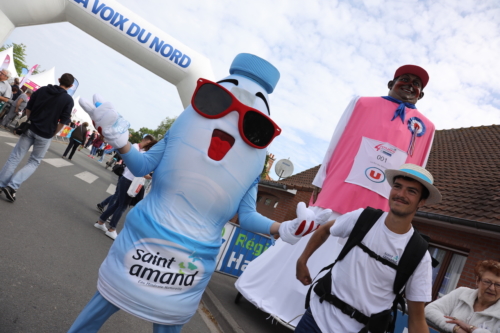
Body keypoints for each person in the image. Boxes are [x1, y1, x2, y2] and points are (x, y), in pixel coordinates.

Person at [69, 54, 331, 333]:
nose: (232, 120)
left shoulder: (255, 155)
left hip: (186, 264)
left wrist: (283, 227)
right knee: (108, 302)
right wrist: (120, 140)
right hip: (147, 245)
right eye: (216, 99)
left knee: (147, 316)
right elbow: (144, 164)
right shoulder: (189, 120)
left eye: (253, 123)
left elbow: (248, 214)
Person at [235, 64, 436, 326]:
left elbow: (417, 168)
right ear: (391, 83)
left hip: (377, 207)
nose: (410, 84)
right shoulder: (362, 103)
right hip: (340, 191)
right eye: (404, 79)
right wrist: (322, 180)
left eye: (416, 84)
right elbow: (336, 140)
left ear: (421, 95)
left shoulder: (426, 127)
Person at [294, 164, 441, 333]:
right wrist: (302, 260)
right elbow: (326, 229)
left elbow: (416, 318)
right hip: (316, 319)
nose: (400, 194)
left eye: (411, 191)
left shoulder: (419, 255)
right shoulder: (363, 218)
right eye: (397, 187)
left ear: (421, 201)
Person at [0, 73, 74, 202]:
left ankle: (1, 184)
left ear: (59, 79)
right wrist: (53, 133)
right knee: (34, 161)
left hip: (30, 128)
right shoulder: (68, 100)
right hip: (46, 134)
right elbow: (63, 121)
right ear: (71, 86)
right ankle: (12, 186)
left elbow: (29, 107)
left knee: (15, 156)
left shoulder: (43, 89)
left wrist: (30, 120)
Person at [93, 135, 157, 240]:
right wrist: (148, 175)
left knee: (119, 203)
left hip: (127, 178)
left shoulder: (142, 152)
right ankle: (111, 229)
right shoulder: (141, 152)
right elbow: (138, 168)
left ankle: (101, 222)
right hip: (129, 180)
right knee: (122, 206)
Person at [425, 260, 500, 333]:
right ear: (477, 281)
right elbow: (429, 310)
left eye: (498, 285)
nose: (492, 288)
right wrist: (455, 328)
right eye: (487, 282)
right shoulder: (461, 293)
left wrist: (470, 328)